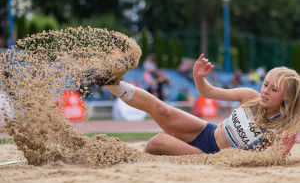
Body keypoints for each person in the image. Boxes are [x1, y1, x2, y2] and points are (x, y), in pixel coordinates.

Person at [93, 53, 299, 157]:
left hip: (213, 156)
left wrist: (279, 154)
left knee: (156, 143)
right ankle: (110, 82)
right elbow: (207, 92)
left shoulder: (280, 127)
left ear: (286, 97)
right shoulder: (250, 96)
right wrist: (198, 77)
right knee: (162, 109)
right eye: (265, 85)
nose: (265, 91)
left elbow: (263, 160)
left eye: (274, 90)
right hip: (206, 131)